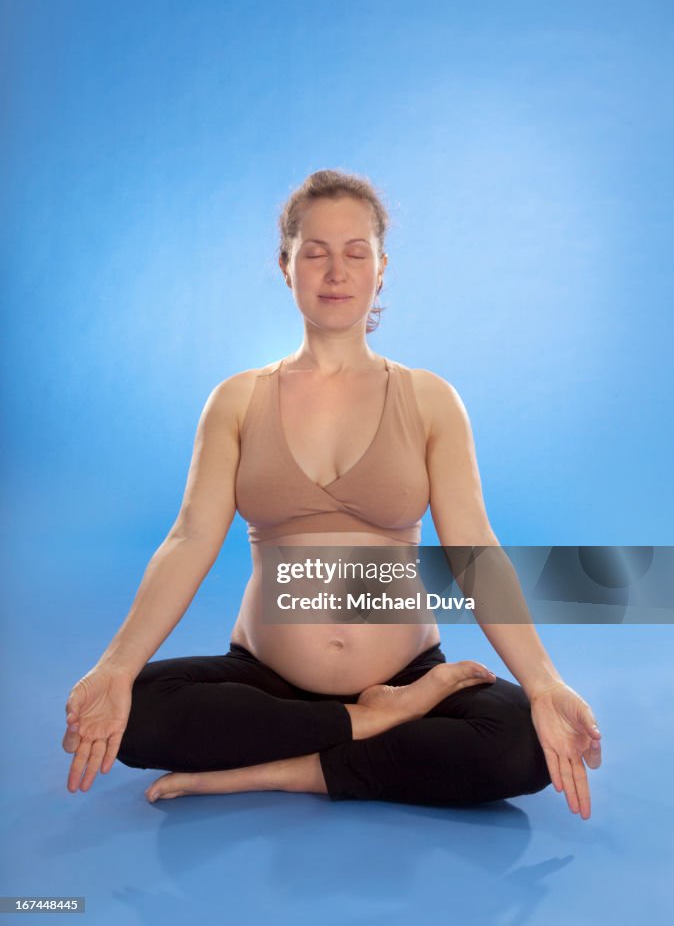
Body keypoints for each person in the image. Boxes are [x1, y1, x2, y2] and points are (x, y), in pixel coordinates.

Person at [61, 169, 602, 816]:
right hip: (266, 678)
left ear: (381, 268)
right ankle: (368, 727)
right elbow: (189, 538)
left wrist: (545, 683)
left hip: (407, 673)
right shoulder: (236, 401)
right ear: (286, 266)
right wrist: (116, 667)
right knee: (137, 711)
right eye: (314, 252)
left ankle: (289, 768)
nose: (335, 271)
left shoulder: (430, 400)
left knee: (522, 742)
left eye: (356, 253)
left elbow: (474, 548)